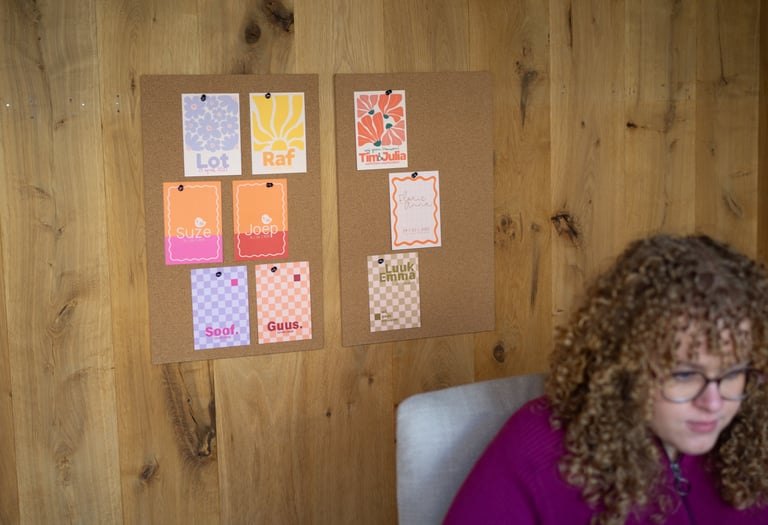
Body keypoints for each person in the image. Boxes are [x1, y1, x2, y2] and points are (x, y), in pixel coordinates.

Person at [444, 234, 768, 524]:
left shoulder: (755, 430)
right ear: (625, 364)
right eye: (684, 375)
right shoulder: (537, 448)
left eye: (732, 372)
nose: (713, 403)